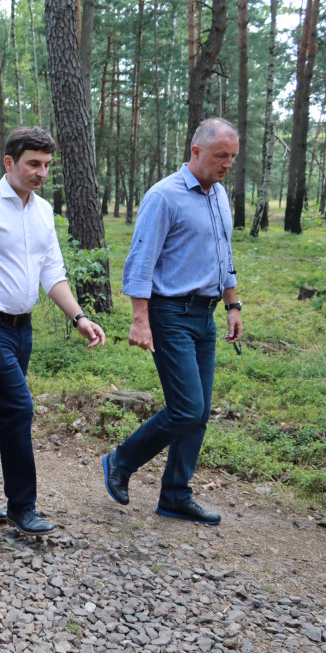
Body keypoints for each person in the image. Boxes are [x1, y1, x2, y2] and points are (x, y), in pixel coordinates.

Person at [0, 126, 105, 536]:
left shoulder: (43, 211)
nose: (41, 172)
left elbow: (52, 273)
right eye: (33, 164)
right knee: (19, 408)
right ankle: (23, 505)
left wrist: (79, 317)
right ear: (9, 163)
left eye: (47, 165)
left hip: (24, 329)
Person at [102, 118, 243, 526]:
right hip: (170, 313)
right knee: (186, 408)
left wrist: (233, 305)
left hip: (207, 314)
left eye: (232, 157)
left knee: (198, 412)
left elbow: (224, 256)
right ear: (196, 151)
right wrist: (139, 319)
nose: (227, 164)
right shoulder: (164, 196)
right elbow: (141, 261)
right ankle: (120, 460)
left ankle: (176, 495)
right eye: (221, 156)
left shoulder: (218, 196)